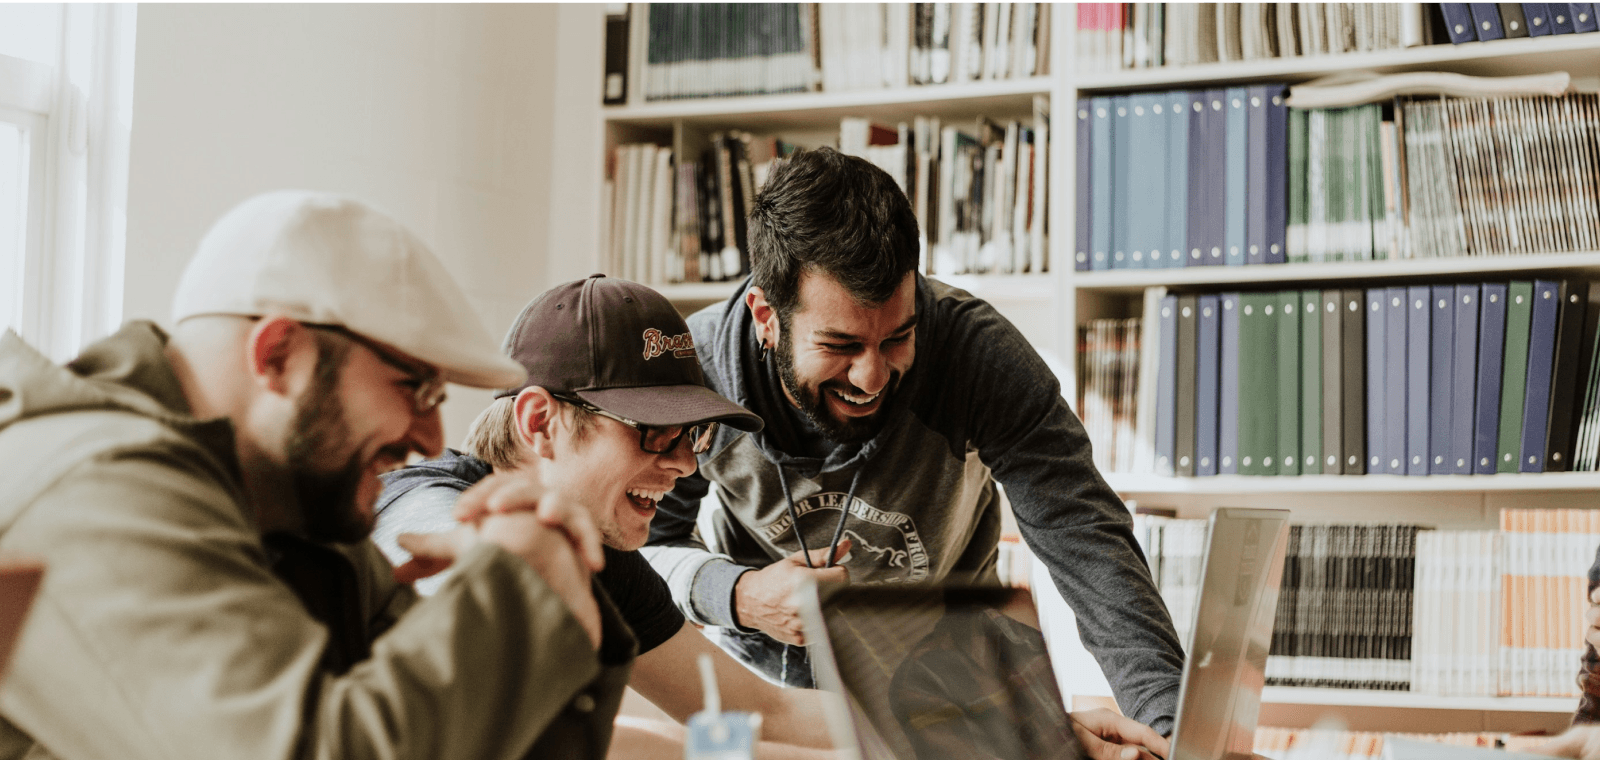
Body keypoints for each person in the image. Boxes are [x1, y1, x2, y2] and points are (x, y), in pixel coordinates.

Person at [0, 191, 629, 759]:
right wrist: (519, 579)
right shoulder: (99, 493)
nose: (431, 439)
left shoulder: (299, 507)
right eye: (414, 387)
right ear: (279, 355)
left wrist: (557, 582)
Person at [640, 147, 1186, 740]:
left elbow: (1086, 539)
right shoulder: (698, 376)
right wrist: (737, 594)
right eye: (841, 346)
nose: (871, 377)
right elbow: (642, 547)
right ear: (766, 315)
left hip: (950, 682)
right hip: (764, 694)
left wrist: (1171, 727)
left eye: (897, 338)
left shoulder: (977, 354)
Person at [373, 274, 837, 760]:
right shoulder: (420, 504)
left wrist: (906, 728)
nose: (687, 463)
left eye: (692, 433)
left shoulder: (602, 554)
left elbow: (762, 711)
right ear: (540, 423)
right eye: (656, 431)